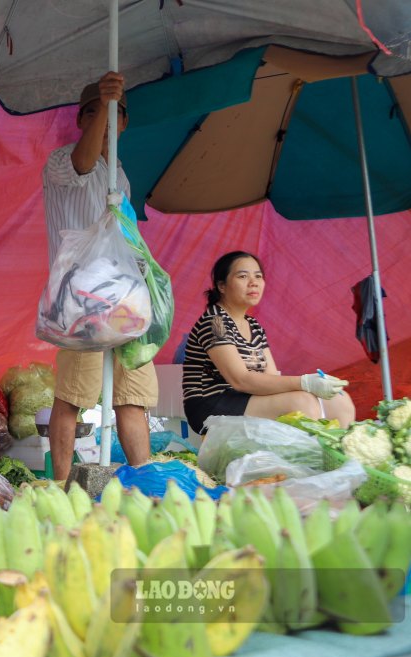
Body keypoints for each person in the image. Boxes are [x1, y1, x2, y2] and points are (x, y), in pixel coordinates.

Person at [43, 71, 159, 480]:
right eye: (94, 112)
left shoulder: (120, 174)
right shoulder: (62, 162)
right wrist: (106, 107)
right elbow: (82, 163)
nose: (107, 120)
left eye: (115, 114)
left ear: (125, 122)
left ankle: (143, 476)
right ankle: (60, 483)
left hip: (124, 298)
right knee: (73, 394)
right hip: (80, 300)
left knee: (132, 393)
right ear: (81, 119)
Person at [182, 250, 355, 433]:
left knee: (339, 402)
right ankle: (299, 460)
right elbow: (240, 380)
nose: (253, 283)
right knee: (302, 402)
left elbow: (271, 377)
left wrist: (314, 385)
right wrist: (304, 383)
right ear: (221, 286)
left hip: (247, 397)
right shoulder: (215, 322)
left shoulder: (254, 326)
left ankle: (335, 458)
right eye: (243, 276)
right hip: (211, 403)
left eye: (258, 276)